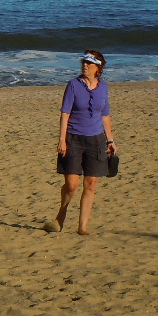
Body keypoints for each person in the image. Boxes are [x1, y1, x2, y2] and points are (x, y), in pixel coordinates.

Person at [44, 50, 118, 236]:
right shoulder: (73, 85)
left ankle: (82, 227)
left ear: (98, 67)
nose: (84, 65)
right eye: (83, 62)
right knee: (71, 185)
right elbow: (65, 113)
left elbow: (105, 115)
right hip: (73, 138)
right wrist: (62, 139)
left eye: (89, 63)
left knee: (91, 183)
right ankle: (62, 213)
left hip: (96, 139)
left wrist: (110, 140)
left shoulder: (103, 87)